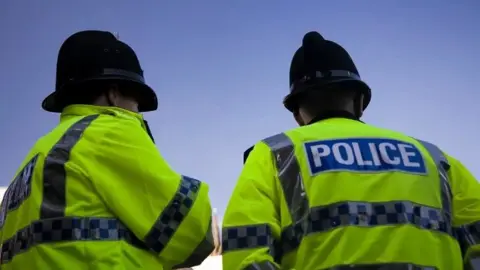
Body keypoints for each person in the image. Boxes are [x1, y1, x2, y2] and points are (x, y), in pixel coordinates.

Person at [222, 31, 480, 270]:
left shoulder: (274, 154)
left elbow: (245, 251)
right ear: (359, 101)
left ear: (297, 113)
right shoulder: (435, 158)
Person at [0, 30, 214, 270]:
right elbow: (193, 235)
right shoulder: (107, 131)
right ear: (114, 94)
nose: (137, 112)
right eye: (136, 102)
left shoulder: (33, 161)